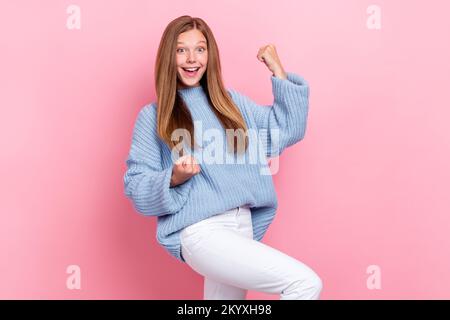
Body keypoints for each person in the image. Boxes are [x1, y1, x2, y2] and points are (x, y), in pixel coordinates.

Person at [123, 15, 322, 300]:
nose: (192, 59)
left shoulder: (233, 104)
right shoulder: (153, 117)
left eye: (200, 49)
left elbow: (286, 130)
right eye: (181, 50)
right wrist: (173, 177)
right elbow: (136, 186)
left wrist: (279, 72)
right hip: (202, 233)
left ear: (210, 54)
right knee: (304, 283)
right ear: (169, 56)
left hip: (243, 228)